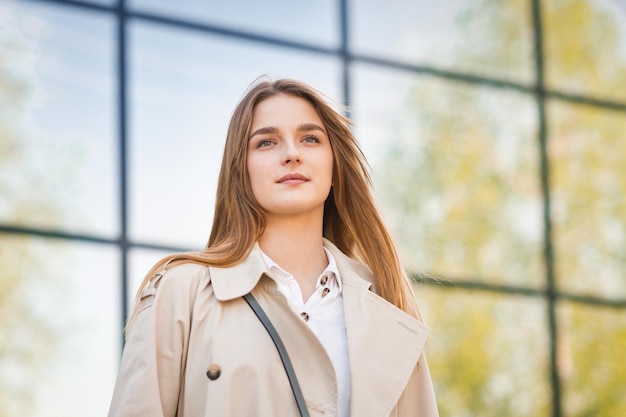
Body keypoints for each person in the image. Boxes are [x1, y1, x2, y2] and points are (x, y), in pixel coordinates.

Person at [108, 78, 439, 417]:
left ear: (335, 166)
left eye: (310, 139)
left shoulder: (387, 308)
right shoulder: (180, 293)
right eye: (266, 142)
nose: (292, 154)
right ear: (241, 169)